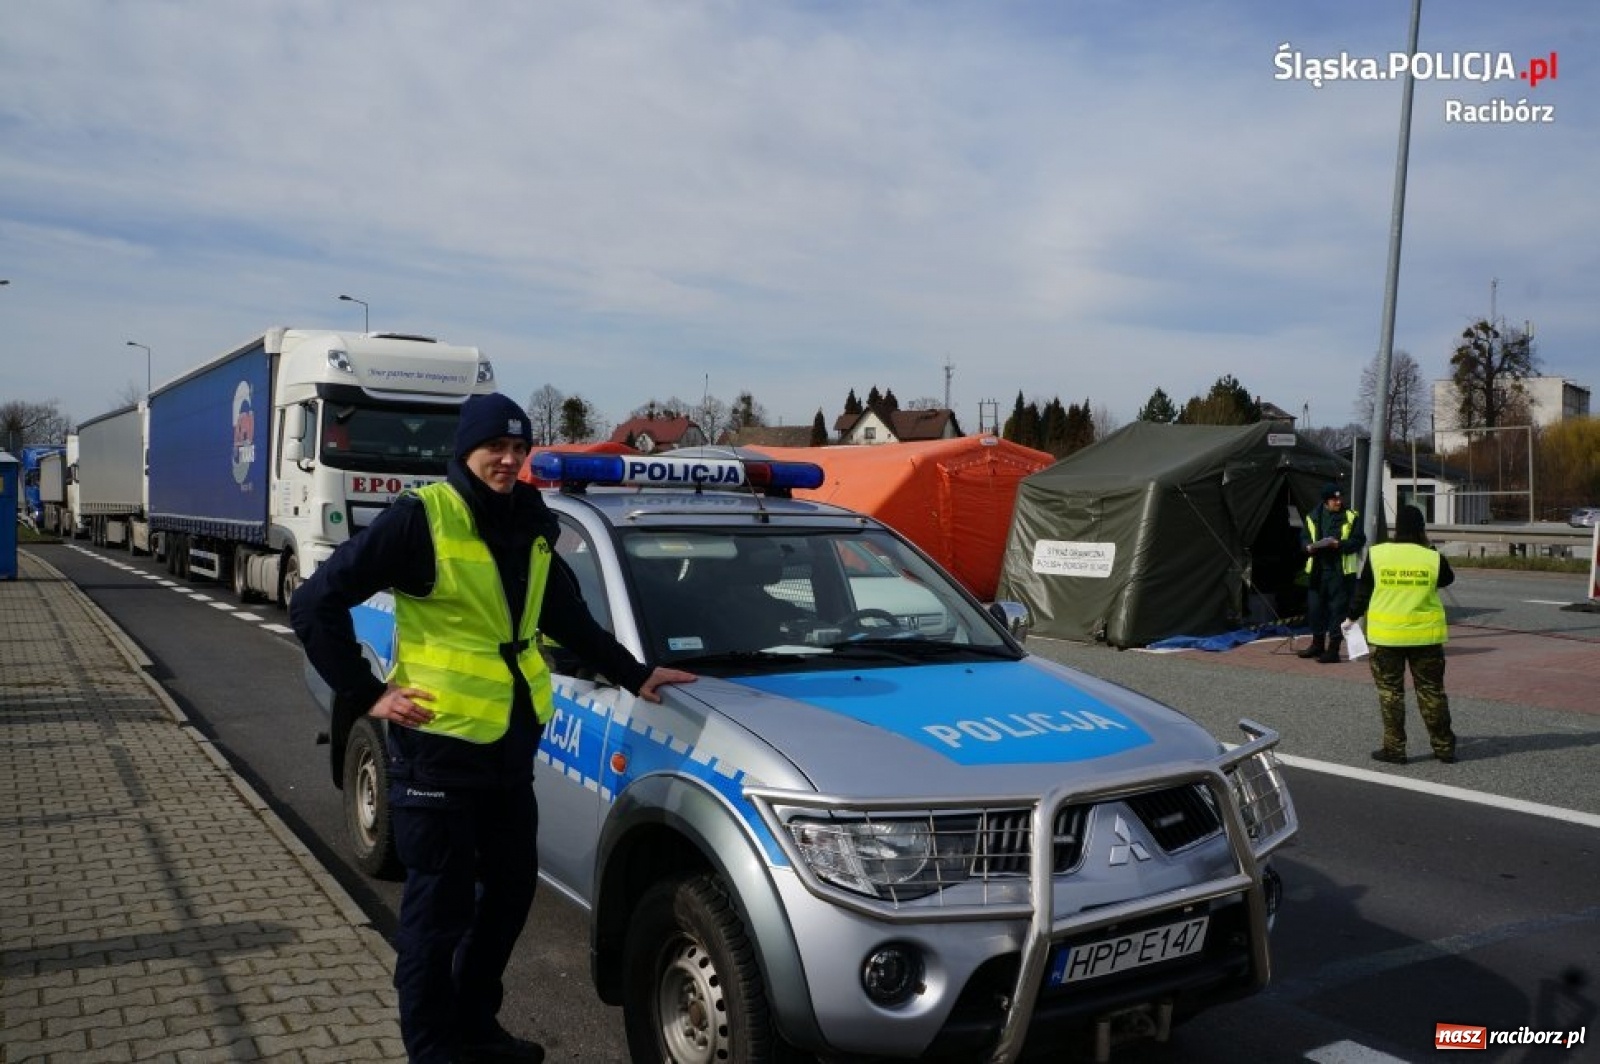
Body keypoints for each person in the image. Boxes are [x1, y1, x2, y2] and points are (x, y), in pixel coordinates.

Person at [291, 393, 695, 1064]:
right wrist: (368, 695)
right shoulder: (423, 519)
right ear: (466, 451)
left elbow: (566, 617)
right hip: (437, 751)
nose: (508, 460)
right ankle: (432, 1047)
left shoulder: (530, 521)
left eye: (518, 448)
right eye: (495, 448)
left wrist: (635, 674)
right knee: (437, 914)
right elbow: (315, 603)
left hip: (508, 753)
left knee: (507, 898)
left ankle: (475, 1027)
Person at [1346, 504, 1457, 765]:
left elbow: (1362, 592)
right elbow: (1446, 580)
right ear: (1421, 529)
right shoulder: (1432, 556)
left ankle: (1395, 749)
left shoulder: (1379, 555)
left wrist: (1351, 617)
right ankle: (1444, 747)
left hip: (1387, 638)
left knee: (1391, 693)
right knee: (1432, 692)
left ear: (1397, 529)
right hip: (1426, 638)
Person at [1298, 482, 1365, 663]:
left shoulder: (1351, 516)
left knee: (1338, 611)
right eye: (1334, 499)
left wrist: (1340, 545)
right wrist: (1307, 547)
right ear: (1326, 501)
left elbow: (1359, 540)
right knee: (1315, 609)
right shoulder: (1313, 516)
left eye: (1339, 498)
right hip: (1318, 571)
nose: (1338, 501)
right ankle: (1317, 644)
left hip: (1340, 573)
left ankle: (1333, 650)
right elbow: (1303, 538)